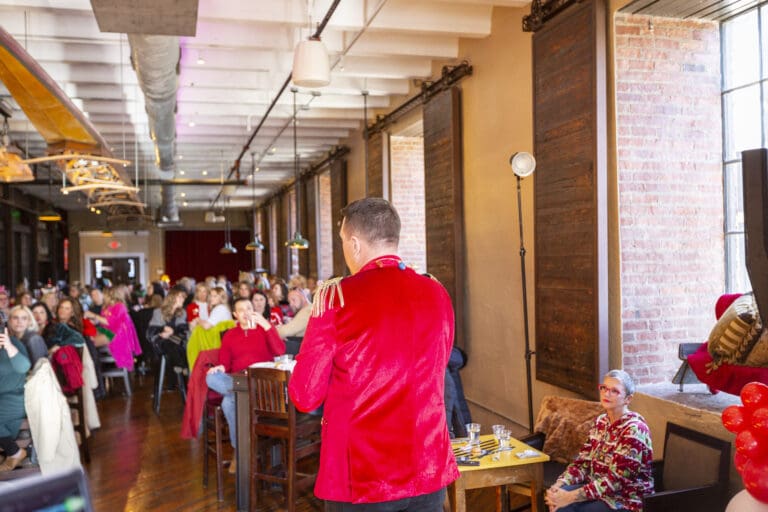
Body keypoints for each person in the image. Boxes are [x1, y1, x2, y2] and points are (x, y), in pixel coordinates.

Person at [288, 197, 458, 510]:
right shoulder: (436, 291)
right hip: (426, 462)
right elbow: (440, 365)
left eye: (342, 241)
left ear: (354, 244)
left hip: (362, 474)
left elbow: (305, 395)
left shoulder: (337, 298)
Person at [544, 370, 654, 512]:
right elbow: (583, 463)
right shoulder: (601, 421)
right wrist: (558, 485)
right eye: (604, 388)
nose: (606, 394)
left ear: (628, 399)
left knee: (567, 507)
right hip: (597, 491)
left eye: (614, 391)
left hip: (625, 499)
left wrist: (570, 497)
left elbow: (616, 481)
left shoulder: (634, 430)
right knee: (555, 500)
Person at [205, 297, 284, 474]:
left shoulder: (264, 330)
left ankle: (239, 453)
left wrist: (266, 325)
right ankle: (242, 448)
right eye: (241, 310)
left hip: (262, 384)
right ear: (235, 315)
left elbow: (280, 351)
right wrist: (220, 368)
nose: (246, 312)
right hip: (238, 381)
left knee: (228, 402)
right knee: (211, 378)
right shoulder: (230, 335)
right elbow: (225, 363)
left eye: (248, 308)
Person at [0, 325, 31, 471]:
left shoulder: (12, 343)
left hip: (13, 398)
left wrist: (8, 346)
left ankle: (15, 453)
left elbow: (24, 366)